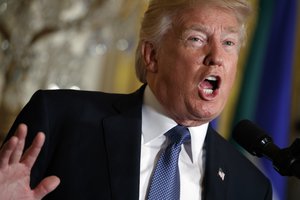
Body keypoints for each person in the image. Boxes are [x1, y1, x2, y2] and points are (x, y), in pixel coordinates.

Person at [0, 0, 272, 199]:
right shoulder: (60, 120)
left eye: (229, 43)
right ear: (151, 55)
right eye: (197, 38)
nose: (217, 57)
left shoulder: (250, 186)